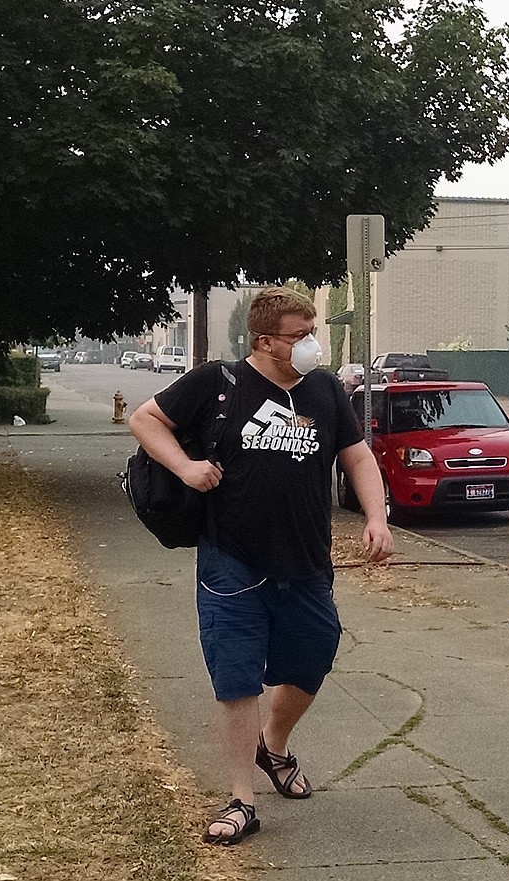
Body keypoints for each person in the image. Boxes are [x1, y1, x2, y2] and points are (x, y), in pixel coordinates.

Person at [129, 287, 393, 845]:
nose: (310, 345)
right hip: (232, 561)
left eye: (311, 332)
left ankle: (273, 745)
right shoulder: (218, 383)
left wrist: (377, 517)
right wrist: (186, 466)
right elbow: (145, 419)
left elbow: (358, 456)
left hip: (306, 561)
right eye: (298, 336)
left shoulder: (324, 390)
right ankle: (241, 801)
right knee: (237, 679)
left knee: (313, 660)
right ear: (265, 341)